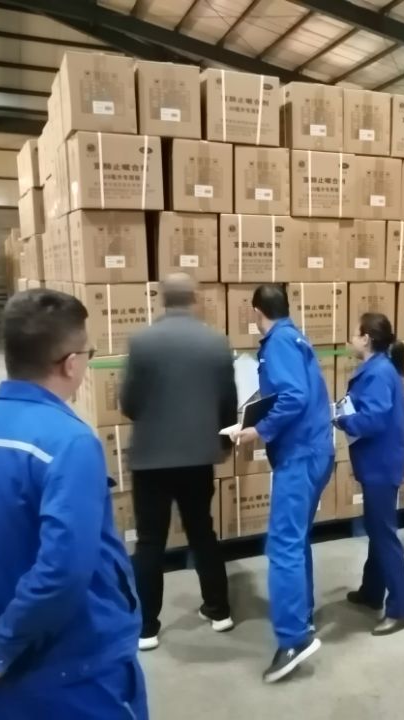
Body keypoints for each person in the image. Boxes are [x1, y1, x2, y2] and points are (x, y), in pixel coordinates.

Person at [0, 289, 148, 718]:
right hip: (77, 669)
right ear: (71, 363)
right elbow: (63, 570)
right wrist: (1, 642)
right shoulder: (70, 442)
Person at [120, 274, 237, 651]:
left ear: (161, 298)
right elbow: (228, 402)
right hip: (198, 455)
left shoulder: (142, 342)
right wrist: (222, 442)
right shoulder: (215, 342)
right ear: (194, 298)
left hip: (151, 458)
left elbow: (129, 404)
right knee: (202, 532)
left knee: (150, 542)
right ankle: (219, 610)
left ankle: (147, 627)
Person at [232, 284, 333, 683]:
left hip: (299, 456)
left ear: (256, 311)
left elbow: (293, 396)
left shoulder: (278, 344)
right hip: (314, 450)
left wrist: (258, 431)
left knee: (282, 545)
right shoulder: (294, 337)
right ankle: (301, 617)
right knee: (296, 539)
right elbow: (290, 392)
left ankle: (293, 640)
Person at [334, 313, 404, 636]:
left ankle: (400, 608)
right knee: (377, 529)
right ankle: (371, 591)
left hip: (381, 463)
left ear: (366, 338)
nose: (350, 339)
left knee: (383, 534)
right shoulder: (378, 368)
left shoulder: (379, 372)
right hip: (379, 461)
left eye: (354, 333)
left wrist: (341, 419)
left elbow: (374, 419)